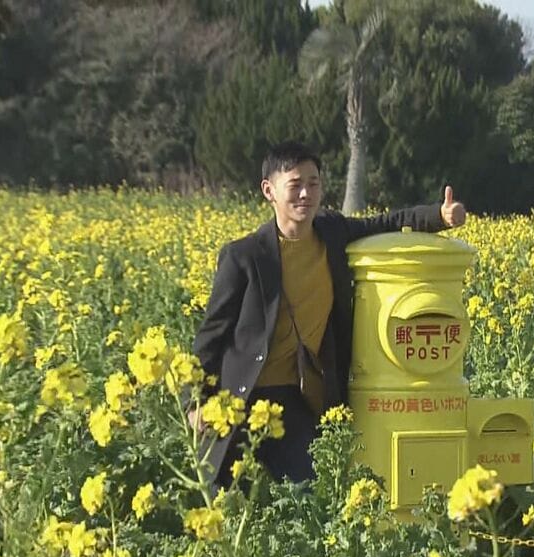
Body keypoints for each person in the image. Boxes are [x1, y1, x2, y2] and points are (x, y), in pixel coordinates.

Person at [188, 140, 467, 488]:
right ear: (268, 191)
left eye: (313, 183)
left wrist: (438, 217)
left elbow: (385, 223)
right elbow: (211, 337)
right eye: (295, 185)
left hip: (296, 397)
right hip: (240, 398)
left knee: (313, 495)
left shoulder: (332, 233)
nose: (306, 193)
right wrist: (194, 402)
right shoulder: (242, 256)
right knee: (229, 508)